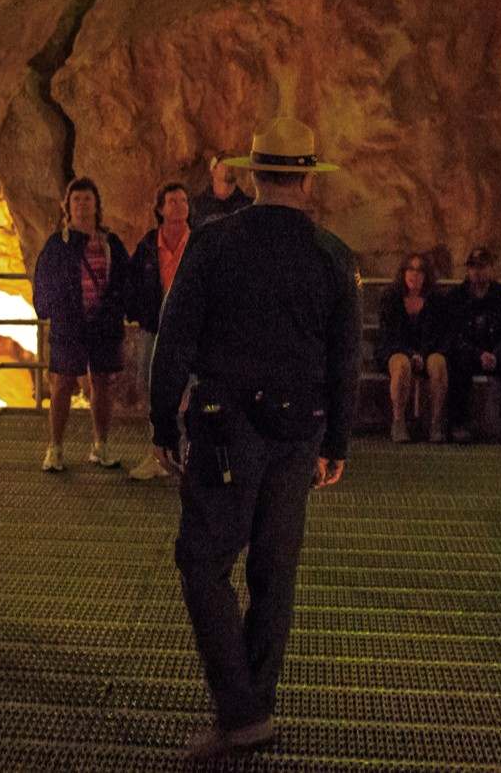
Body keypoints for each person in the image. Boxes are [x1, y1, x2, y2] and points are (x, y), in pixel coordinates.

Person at [151, 116, 360, 759]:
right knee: (276, 569)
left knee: (203, 562)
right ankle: (255, 703)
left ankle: (239, 710)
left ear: (254, 174)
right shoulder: (331, 253)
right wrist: (339, 443)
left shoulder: (215, 244)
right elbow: (344, 357)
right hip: (299, 431)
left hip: (222, 427)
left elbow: (175, 338)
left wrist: (163, 423)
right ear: (306, 178)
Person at [32, 177, 132, 473]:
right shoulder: (58, 243)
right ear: (68, 205)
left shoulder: (110, 242)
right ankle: (55, 448)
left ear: (96, 204)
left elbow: (123, 278)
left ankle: (100, 446)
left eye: (87, 199)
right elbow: (44, 278)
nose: (82, 205)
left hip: (102, 325)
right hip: (69, 325)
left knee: (101, 383)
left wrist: (119, 309)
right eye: (76, 199)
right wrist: (47, 310)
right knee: (61, 384)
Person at [126, 181, 192, 482]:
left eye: (183, 200)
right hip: (154, 329)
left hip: (190, 333)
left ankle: (189, 453)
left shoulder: (199, 243)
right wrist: (140, 314)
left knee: (190, 392)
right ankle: (158, 454)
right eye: (173, 201)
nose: (179, 205)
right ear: (160, 209)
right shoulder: (149, 245)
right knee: (152, 390)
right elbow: (133, 281)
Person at [445, 246, 501, 445]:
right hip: (469, 352)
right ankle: (458, 423)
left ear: (491, 269)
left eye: (482, 267)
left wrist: (496, 354)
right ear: (467, 270)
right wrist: (477, 354)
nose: (477, 272)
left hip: (496, 351)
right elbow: (454, 334)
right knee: (457, 366)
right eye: (473, 267)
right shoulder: (457, 296)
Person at [378, 252, 450, 443]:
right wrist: (411, 355)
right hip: (396, 350)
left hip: (428, 351)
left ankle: (435, 423)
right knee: (402, 365)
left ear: (426, 276)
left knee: (438, 363)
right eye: (410, 269)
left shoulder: (436, 300)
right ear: (403, 272)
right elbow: (390, 335)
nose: (414, 275)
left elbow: (440, 334)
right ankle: (398, 421)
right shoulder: (391, 298)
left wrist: (422, 355)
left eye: (420, 270)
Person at [189, 152, 252, 227]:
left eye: (234, 163)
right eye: (226, 162)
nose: (231, 166)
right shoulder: (197, 204)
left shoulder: (248, 205)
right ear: (213, 170)